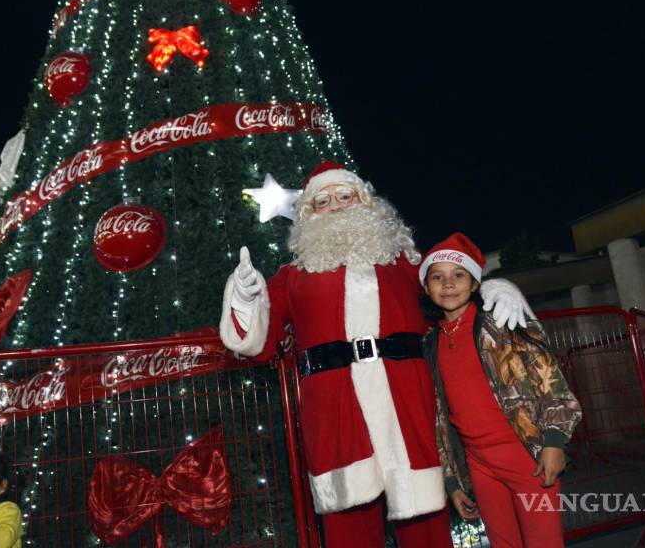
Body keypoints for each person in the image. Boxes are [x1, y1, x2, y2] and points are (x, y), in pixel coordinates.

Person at [218, 161, 534, 548]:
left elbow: (451, 285)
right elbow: (259, 343)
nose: (335, 206)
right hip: (335, 404)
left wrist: (493, 287)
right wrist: (247, 297)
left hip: (406, 397)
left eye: (345, 196)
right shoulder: (292, 276)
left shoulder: (403, 263)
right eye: (323, 201)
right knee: (349, 519)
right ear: (307, 215)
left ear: (365, 203)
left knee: (422, 513)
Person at [419, 232, 582, 548]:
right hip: (480, 465)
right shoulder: (430, 344)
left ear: (476, 284)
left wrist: (554, 441)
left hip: (528, 458)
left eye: (459, 275)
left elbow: (549, 378)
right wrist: (452, 480)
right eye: (437, 277)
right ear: (427, 288)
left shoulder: (502, 321)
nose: (448, 284)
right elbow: (438, 417)